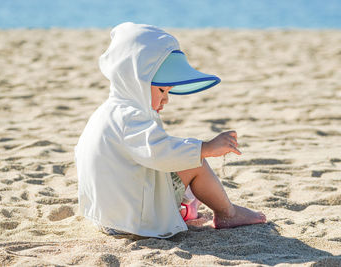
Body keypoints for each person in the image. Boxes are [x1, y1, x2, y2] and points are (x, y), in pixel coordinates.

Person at [75, 22, 266, 239]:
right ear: (136, 81)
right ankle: (227, 213)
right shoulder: (131, 116)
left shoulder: (106, 112)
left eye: (169, 91)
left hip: (105, 217)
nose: (166, 99)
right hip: (134, 221)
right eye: (162, 89)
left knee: (181, 158)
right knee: (196, 162)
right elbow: (159, 154)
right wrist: (206, 148)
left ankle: (184, 206)